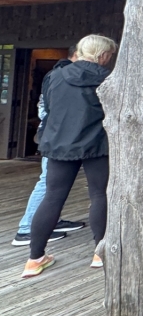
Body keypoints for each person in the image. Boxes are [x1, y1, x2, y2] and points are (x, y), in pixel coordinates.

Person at [22, 35, 117, 278]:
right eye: (110, 55)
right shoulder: (108, 78)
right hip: (97, 143)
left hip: (59, 143)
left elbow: (50, 109)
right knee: (99, 194)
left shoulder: (55, 75)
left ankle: (35, 258)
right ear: (103, 55)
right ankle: (100, 253)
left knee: (52, 197)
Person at [11, 48, 86, 246]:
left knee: (55, 184)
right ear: (77, 54)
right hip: (55, 138)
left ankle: (51, 220)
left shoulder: (62, 74)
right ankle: (26, 228)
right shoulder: (59, 75)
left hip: (57, 137)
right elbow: (48, 111)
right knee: (47, 182)